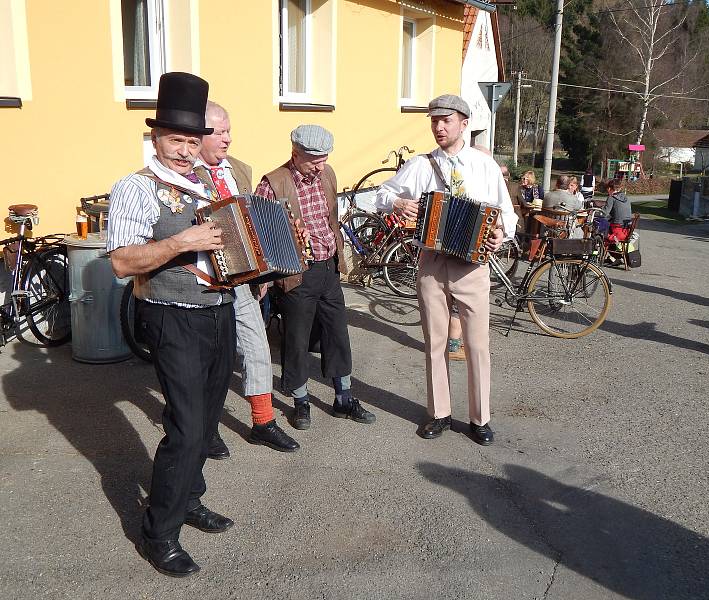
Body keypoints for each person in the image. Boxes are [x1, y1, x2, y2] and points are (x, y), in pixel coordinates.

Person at [107, 72, 235, 577]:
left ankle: (189, 498)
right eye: (174, 140)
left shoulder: (205, 180)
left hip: (217, 311)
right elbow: (121, 262)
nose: (184, 150)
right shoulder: (136, 187)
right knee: (183, 427)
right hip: (170, 316)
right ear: (154, 138)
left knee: (205, 421)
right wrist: (184, 243)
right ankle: (158, 532)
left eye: (190, 140)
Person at [375, 94, 517, 446]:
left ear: (464, 124)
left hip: (473, 264)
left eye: (446, 120)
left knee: (477, 344)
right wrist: (398, 201)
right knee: (435, 342)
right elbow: (380, 193)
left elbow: (508, 212)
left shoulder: (484, 166)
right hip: (432, 262)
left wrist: (501, 233)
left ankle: (479, 418)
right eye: (435, 121)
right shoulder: (422, 165)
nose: (439, 127)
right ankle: (439, 413)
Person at [254, 125, 376, 430]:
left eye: (324, 158)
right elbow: (259, 233)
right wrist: (267, 276)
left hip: (328, 269)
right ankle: (300, 401)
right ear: (295, 153)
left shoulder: (328, 174)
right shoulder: (273, 184)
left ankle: (344, 397)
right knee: (296, 339)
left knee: (337, 333)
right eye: (313, 160)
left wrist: (338, 256)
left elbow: (330, 218)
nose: (320, 165)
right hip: (297, 274)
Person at [194, 101, 299, 454]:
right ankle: (205, 427)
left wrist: (262, 269)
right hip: (202, 278)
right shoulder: (185, 173)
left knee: (256, 345)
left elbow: (252, 219)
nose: (227, 139)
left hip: (240, 277)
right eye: (220, 132)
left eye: (228, 130)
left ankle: (263, 421)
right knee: (207, 357)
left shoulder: (239, 169)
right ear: (199, 134)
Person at [603, 178, 633, 243]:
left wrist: (595, 212)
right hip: (627, 230)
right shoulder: (625, 197)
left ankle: (599, 248)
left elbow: (604, 213)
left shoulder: (611, 197)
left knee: (600, 223)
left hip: (617, 229)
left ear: (609, 188)